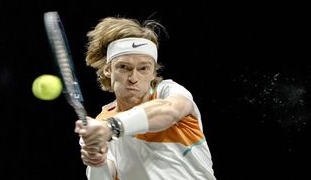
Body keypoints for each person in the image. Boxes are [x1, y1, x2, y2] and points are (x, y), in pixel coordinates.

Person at [74, 16, 216, 180]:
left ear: (153, 72)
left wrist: (111, 128)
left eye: (143, 68)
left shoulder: (168, 91)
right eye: (124, 67)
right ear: (108, 70)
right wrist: (96, 162)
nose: (133, 77)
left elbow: (169, 111)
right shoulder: (101, 122)